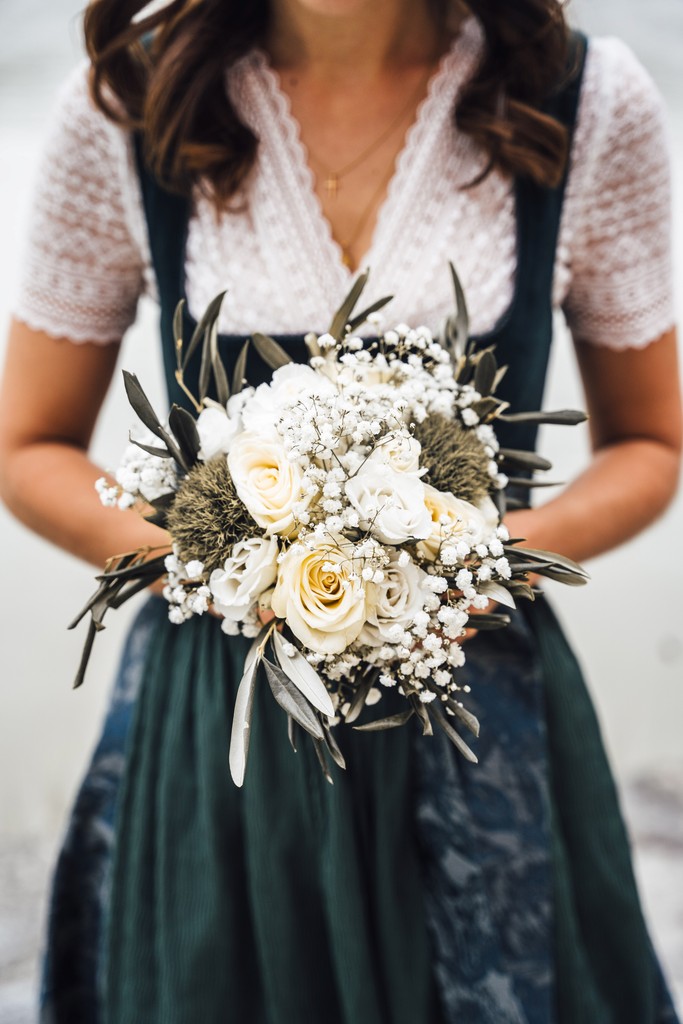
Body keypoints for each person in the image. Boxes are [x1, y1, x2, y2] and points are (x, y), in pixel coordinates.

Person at [0, 0, 680, 1021]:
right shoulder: (127, 105)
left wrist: (473, 559)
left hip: (478, 709)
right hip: (216, 733)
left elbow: (649, 444)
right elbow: (28, 446)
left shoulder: (585, 101)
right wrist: (230, 563)